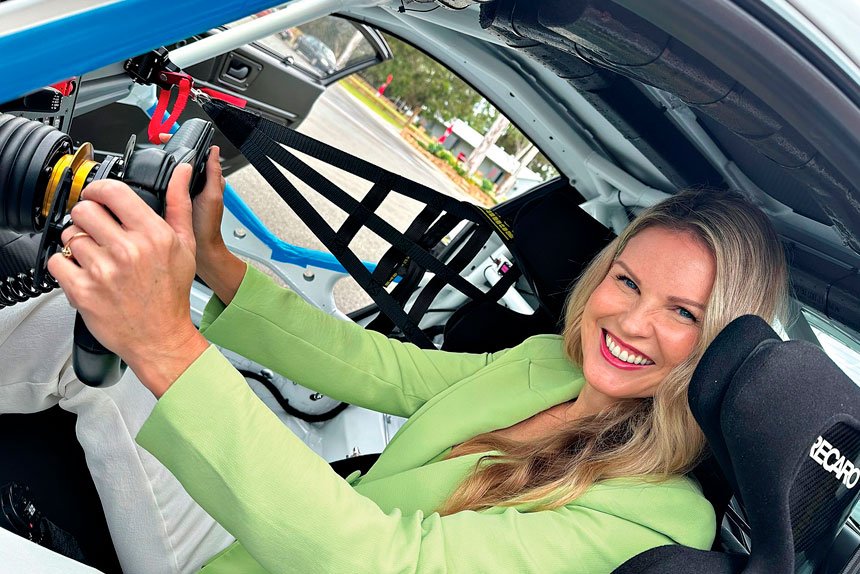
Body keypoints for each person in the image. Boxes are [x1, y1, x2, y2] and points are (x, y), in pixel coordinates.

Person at [36, 146, 788, 573]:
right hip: (258, 546)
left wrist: (168, 341)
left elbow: (386, 564)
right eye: (627, 280)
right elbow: (380, 368)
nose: (630, 319)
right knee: (63, 316)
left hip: (301, 555)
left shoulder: (658, 524)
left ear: (722, 341)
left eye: (682, 313)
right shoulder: (547, 366)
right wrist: (212, 263)